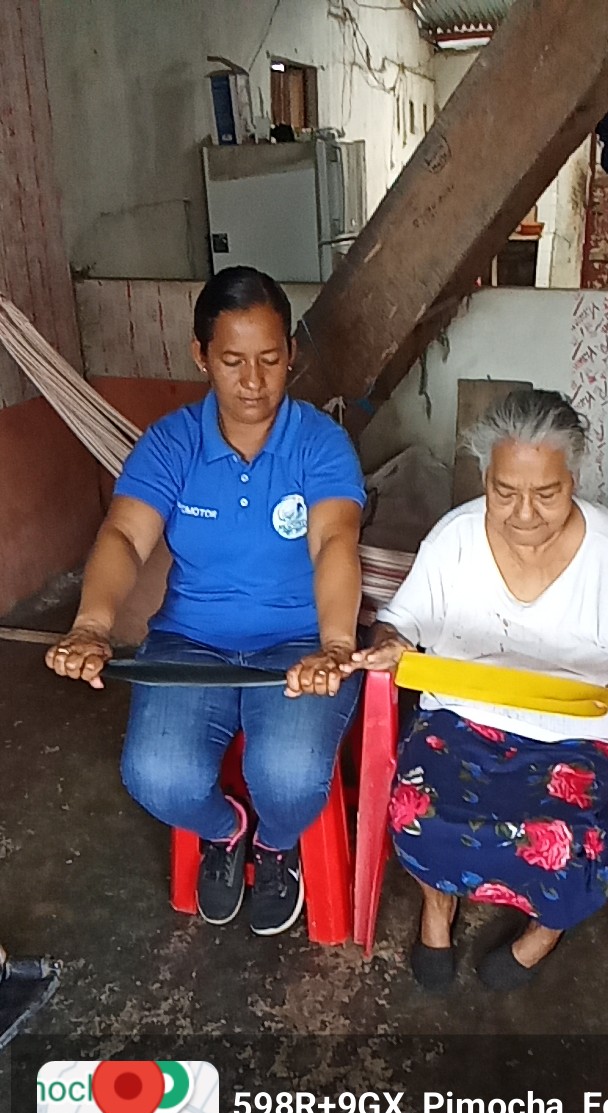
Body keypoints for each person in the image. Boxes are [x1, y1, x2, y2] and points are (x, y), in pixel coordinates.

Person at [46, 267, 365, 938]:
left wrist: (336, 644)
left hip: (300, 647)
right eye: (232, 361)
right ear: (201, 356)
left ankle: (276, 845)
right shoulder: (171, 443)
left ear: (291, 354)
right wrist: (91, 626)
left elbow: (335, 539)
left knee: (290, 774)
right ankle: (228, 831)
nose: (253, 381)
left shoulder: (319, 444)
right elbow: (125, 536)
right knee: (155, 775)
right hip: (191, 644)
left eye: (270, 359)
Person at [348, 388, 608, 993]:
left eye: (547, 493)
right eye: (505, 492)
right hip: (462, 719)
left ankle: (544, 931)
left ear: (574, 479)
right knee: (415, 813)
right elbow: (400, 622)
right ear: (485, 477)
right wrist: (391, 643)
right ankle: (438, 905)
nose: (525, 514)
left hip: (576, 737)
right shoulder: (455, 539)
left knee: (564, 845)